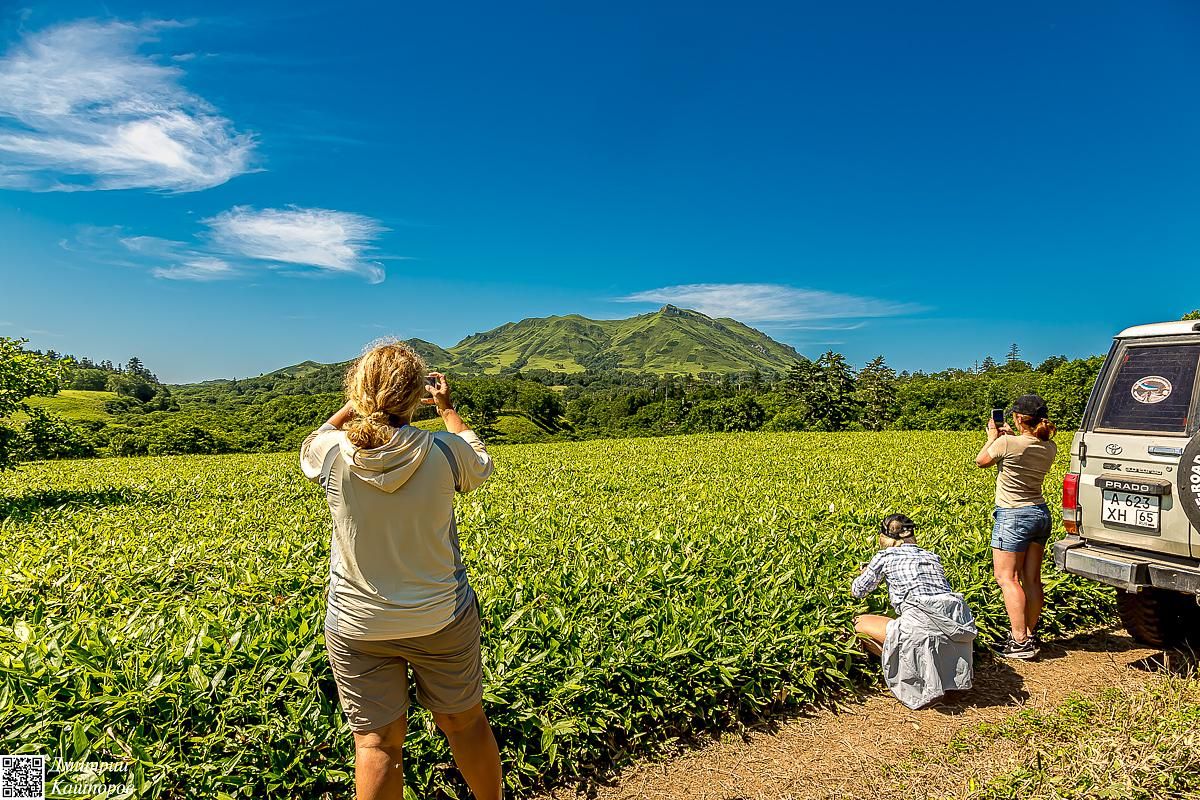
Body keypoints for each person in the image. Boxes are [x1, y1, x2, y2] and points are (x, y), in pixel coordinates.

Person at [299, 340, 502, 800]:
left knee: (376, 743)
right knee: (464, 723)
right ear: (416, 395)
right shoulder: (446, 452)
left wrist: (354, 407)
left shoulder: (331, 453)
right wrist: (447, 409)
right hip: (441, 616)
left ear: (359, 391)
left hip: (357, 622)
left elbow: (314, 438)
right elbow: (479, 458)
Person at [852, 514, 977, 710]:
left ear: (884, 537)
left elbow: (858, 591)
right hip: (954, 625)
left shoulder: (884, 557)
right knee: (915, 626)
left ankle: (917, 675)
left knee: (858, 622)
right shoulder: (931, 556)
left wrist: (867, 571)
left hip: (920, 624)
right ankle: (945, 679)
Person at [975, 394, 1058, 660]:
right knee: (1031, 579)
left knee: (1007, 578)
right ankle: (1029, 634)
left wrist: (993, 437)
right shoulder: (1050, 446)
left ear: (1019, 418)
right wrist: (1009, 437)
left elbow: (981, 460)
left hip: (1013, 516)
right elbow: (1023, 447)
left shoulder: (1006, 443)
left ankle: (1020, 641)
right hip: (1040, 514)